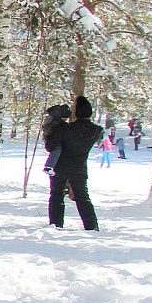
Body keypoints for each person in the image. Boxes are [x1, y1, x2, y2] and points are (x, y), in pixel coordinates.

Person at [45, 95, 103, 230]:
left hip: (60, 167)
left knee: (56, 195)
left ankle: (56, 225)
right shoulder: (96, 130)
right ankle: (92, 226)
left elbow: (50, 146)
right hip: (79, 168)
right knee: (83, 197)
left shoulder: (66, 129)